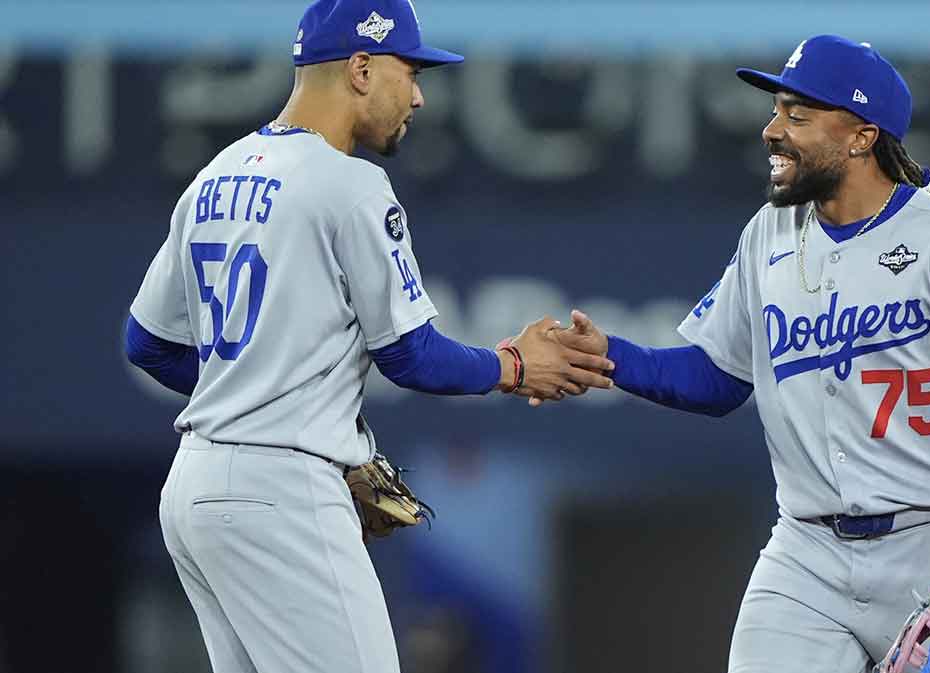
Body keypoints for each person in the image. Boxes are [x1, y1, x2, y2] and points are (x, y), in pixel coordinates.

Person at [124, 1, 613, 671]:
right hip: (281, 493)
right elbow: (413, 355)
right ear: (360, 67)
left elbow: (146, 342)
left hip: (194, 490)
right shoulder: (351, 184)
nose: (416, 95)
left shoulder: (216, 175)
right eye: (408, 72)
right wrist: (515, 364)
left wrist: (259, 397)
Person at [548, 35, 930, 672]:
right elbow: (718, 376)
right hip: (806, 554)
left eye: (797, 115)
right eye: (777, 111)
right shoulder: (769, 232)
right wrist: (611, 358)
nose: (771, 131)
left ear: (861, 137)